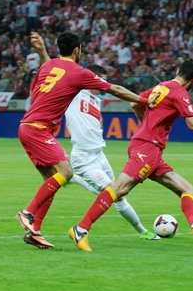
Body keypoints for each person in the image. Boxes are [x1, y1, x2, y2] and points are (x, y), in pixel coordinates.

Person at [68, 58, 193, 252]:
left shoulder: (161, 87)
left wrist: (146, 127)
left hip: (150, 148)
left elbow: (136, 104)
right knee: (119, 189)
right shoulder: (180, 93)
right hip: (147, 148)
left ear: (177, 70)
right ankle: (81, 229)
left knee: (187, 189)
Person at [15, 30, 155, 249]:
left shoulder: (48, 67)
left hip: (28, 127)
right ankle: (28, 212)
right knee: (66, 172)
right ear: (76, 49)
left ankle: (35, 232)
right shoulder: (79, 73)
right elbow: (116, 89)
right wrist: (145, 101)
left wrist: (42, 51)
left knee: (51, 182)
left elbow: (46, 71)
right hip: (39, 129)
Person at [65, 63, 160, 241]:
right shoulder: (74, 93)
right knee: (112, 191)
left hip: (99, 155)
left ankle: (142, 232)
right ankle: (82, 228)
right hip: (84, 157)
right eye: (101, 81)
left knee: (118, 194)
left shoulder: (96, 100)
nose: (103, 86)